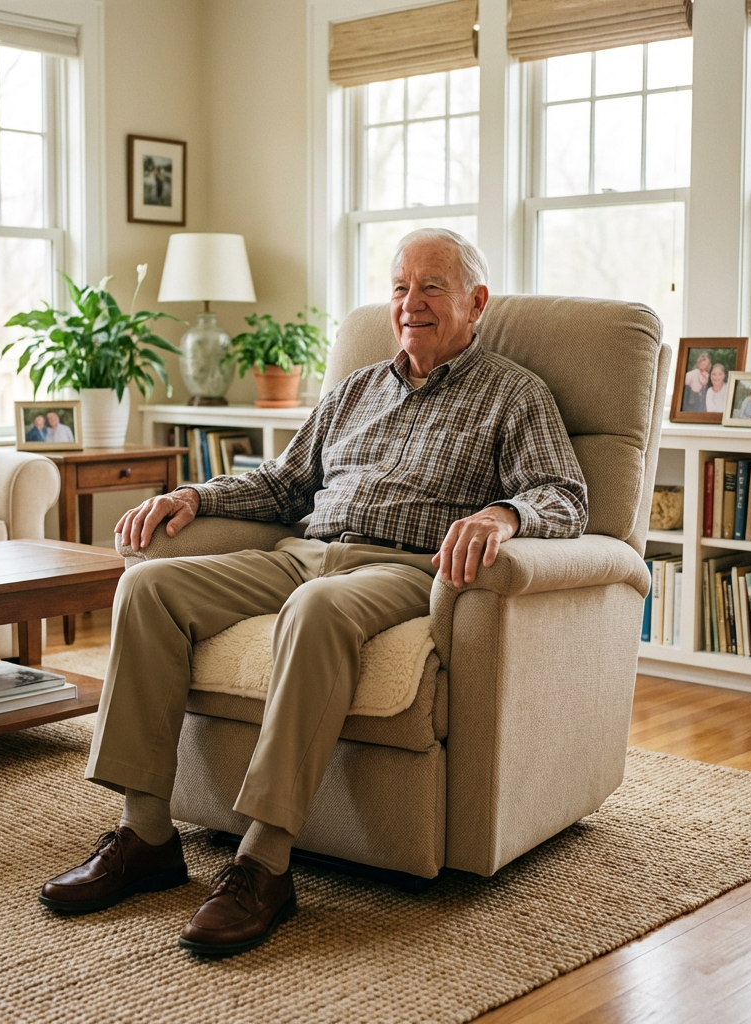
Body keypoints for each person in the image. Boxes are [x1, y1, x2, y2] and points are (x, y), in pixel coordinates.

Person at [38, 229, 588, 958]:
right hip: (301, 551)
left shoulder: (513, 394)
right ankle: (146, 836)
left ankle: (263, 864)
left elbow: (565, 495)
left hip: (400, 569)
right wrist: (196, 495)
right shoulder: (356, 388)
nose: (410, 304)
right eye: (400, 287)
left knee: (318, 609)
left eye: (432, 287)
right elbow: (284, 482)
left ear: (475, 302)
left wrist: (504, 513)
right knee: (148, 587)